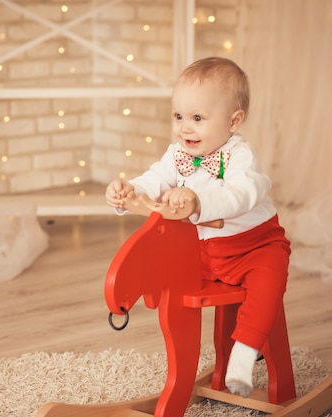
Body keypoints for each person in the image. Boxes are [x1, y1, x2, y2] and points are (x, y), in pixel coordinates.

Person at [105, 56, 291, 398]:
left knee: (268, 282)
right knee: (170, 272)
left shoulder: (240, 157)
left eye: (197, 118)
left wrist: (199, 201)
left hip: (254, 248)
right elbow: (155, 179)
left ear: (234, 121)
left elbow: (243, 193)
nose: (185, 128)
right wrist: (130, 190)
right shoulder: (177, 154)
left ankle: (244, 354)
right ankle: (179, 376)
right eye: (178, 116)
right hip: (204, 254)